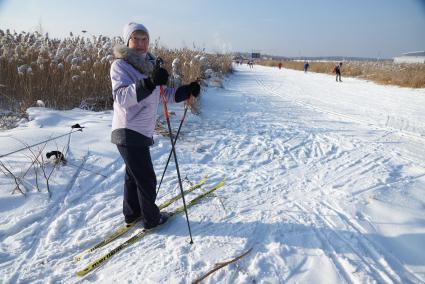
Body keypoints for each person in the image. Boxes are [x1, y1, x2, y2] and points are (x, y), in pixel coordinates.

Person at [110, 22, 201, 229]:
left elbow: (162, 94)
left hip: (140, 131)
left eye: (144, 39)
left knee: (134, 176)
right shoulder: (120, 65)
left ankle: (133, 214)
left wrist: (186, 90)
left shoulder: (150, 66)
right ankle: (151, 219)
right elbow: (122, 97)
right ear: (127, 41)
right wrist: (150, 82)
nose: (141, 44)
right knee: (146, 179)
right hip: (127, 129)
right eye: (136, 39)